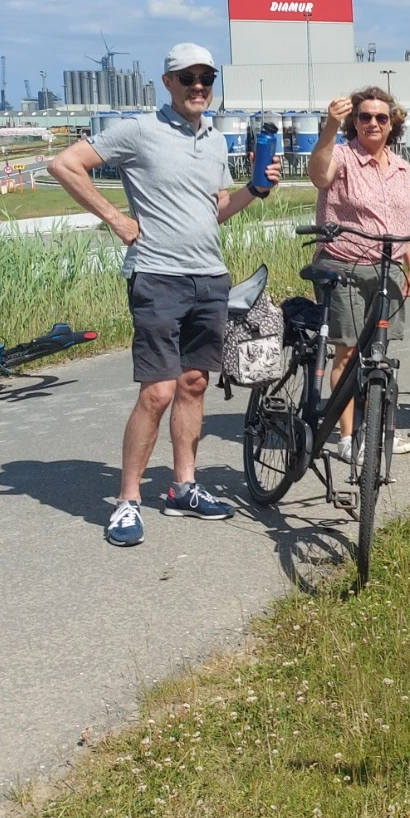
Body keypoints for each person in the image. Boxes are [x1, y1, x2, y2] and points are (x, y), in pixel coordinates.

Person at [47, 42, 281, 549]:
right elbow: (64, 165)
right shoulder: (139, 130)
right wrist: (115, 218)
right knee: (157, 391)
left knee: (194, 383)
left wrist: (256, 191)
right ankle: (128, 500)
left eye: (206, 78)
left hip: (209, 276)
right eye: (188, 78)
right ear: (168, 82)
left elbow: (215, 209)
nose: (199, 86)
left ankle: (184, 486)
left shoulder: (216, 141)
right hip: (157, 276)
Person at [306, 87, 410, 465]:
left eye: (381, 118)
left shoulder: (402, 168)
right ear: (354, 121)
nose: (373, 123)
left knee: (378, 355)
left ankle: (376, 428)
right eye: (365, 117)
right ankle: (348, 436)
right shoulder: (341, 155)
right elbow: (319, 176)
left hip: (387, 269)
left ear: (392, 124)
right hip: (345, 265)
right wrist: (329, 128)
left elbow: (404, 221)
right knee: (349, 350)